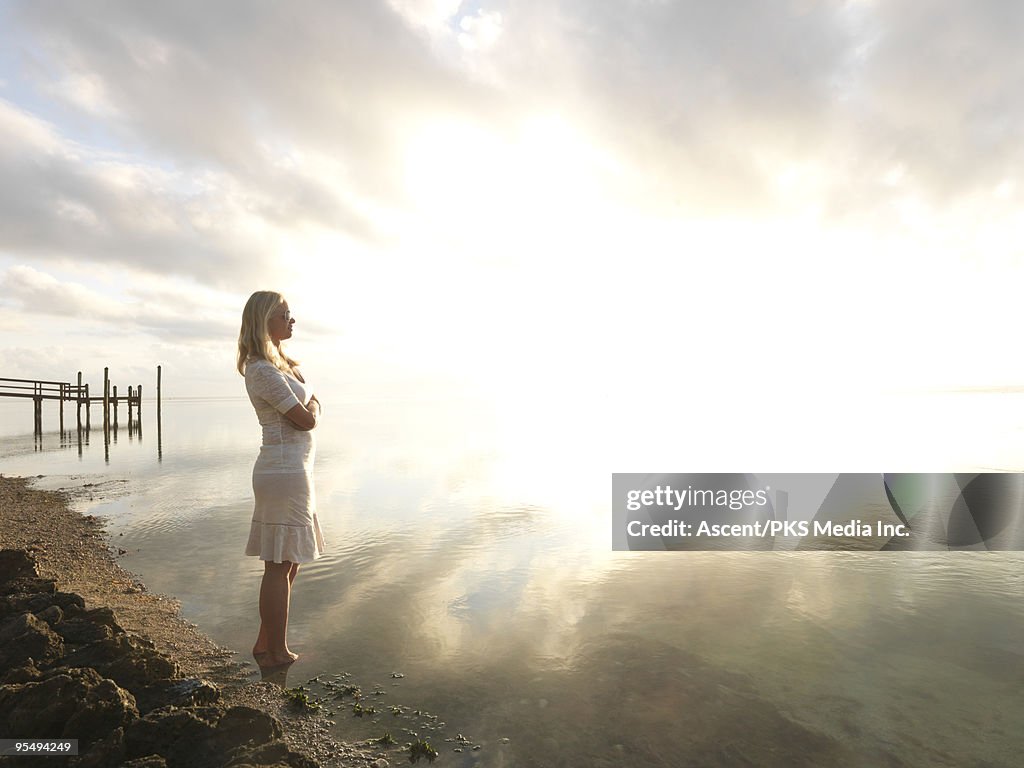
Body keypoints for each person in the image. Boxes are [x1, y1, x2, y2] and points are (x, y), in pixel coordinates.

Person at [237, 291, 325, 667]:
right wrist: (314, 409)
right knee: (278, 562)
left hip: (294, 472)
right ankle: (275, 652)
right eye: (286, 315)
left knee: (291, 561)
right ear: (265, 320)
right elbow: (305, 418)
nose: (293, 321)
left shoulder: (282, 365)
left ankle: (265, 641)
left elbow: (312, 399)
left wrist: (313, 405)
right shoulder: (260, 369)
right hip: (282, 472)